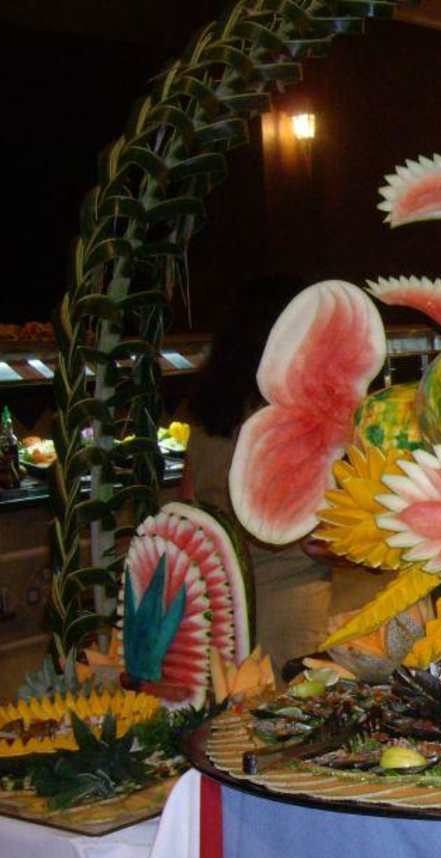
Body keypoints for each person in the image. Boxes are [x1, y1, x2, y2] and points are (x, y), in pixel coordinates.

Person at [179, 275, 335, 674]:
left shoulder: (210, 411)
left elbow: (189, 506)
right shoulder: (296, 418)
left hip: (218, 604)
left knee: (227, 707)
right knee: (282, 706)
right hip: (289, 603)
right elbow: (317, 542)